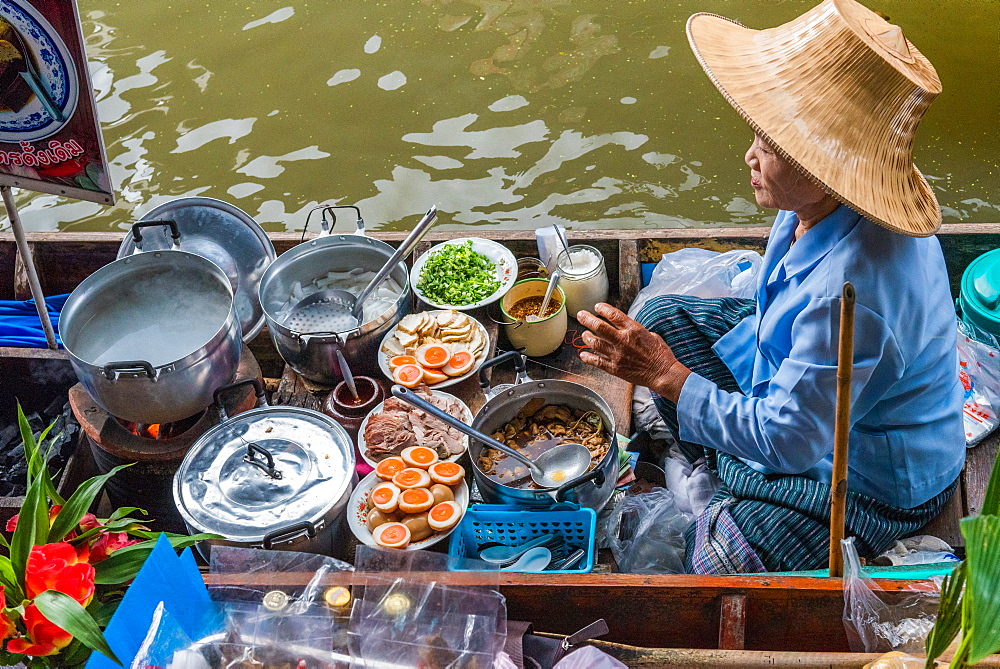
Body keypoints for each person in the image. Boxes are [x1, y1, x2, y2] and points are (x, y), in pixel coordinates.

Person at [577, 0, 965, 573]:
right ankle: (732, 461)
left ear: (822, 165)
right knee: (659, 316)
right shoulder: (812, 205)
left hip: (868, 475)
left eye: (769, 146)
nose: (749, 156)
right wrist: (670, 366)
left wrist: (667, 375)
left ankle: (740, 479)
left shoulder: (849, 294)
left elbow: (792, 442)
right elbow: (773, 301)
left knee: (716, 558)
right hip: (801, 403)